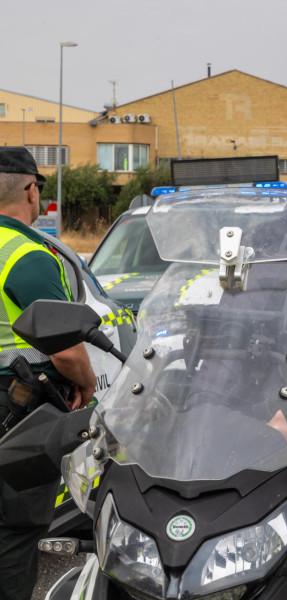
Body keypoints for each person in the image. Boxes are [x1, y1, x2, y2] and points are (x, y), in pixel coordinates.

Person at [0, 148, 96, 600]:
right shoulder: (27, 255)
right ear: (31, 190)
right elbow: (66, 350)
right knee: (15, 532)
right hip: (15, 412)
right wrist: (87, 382)